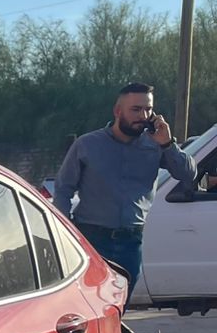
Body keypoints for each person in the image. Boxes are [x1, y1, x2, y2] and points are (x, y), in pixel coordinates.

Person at [52, 83, 196, 290]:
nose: (143, 116)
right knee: (91, 303)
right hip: (92, 239)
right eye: (136, 109)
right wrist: (66, 232)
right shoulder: (87, 145)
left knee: (120, 304)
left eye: (148, 109)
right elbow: (64, 189)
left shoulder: (155, 145)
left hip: (131, 241)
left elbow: (187, 174)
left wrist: (167, 144)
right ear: (118, 111)